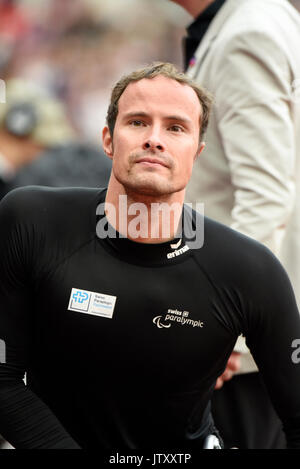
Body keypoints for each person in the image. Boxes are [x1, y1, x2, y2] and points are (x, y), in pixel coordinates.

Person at [0, 62, 300, 451]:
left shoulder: (249, 269)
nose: (154, 139)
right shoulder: (32, 221)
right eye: (138, 122)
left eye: (175, 128)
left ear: (198, 152)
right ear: (108, 139)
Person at [170, 0, 300, 448]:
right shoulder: (258, 17)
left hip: (245, 351)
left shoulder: (249, 31)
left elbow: (267, 194)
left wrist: (231, 331)